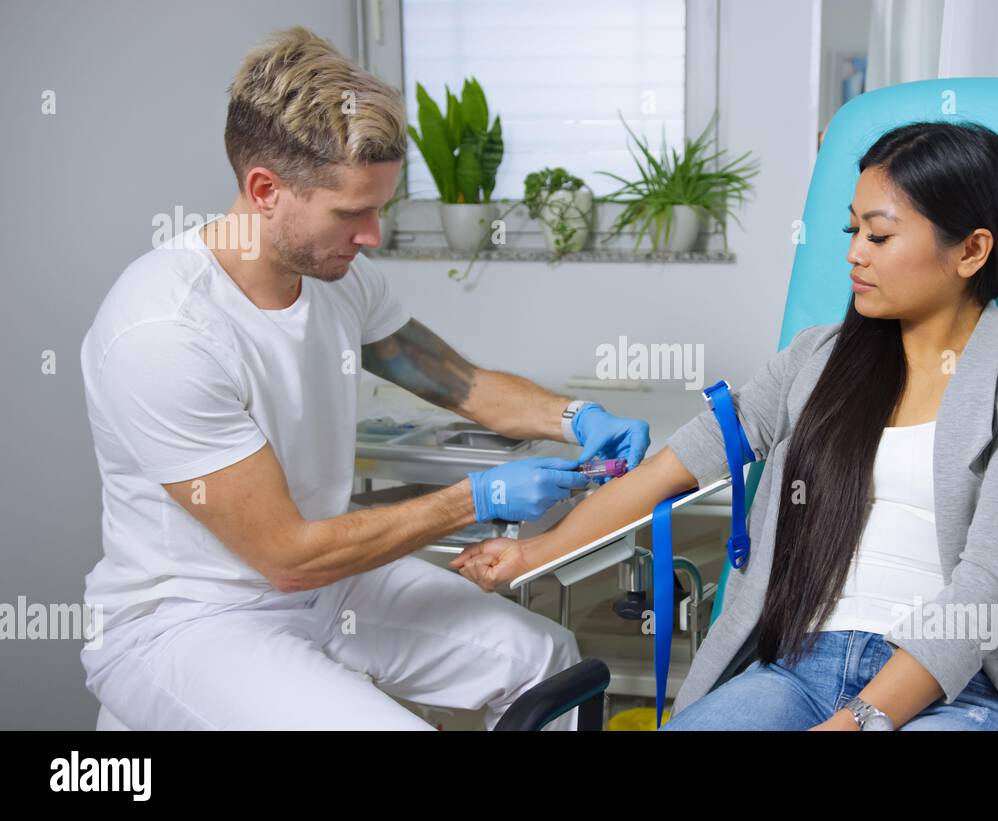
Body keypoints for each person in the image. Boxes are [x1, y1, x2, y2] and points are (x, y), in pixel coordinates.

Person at [452, 121, 998, 731]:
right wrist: (534, 552)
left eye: (879, 236)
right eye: (850, 231)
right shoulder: (818, 359)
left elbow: (988, 587)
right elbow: (675, 466)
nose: (854, 254)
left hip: (955, 691)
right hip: (795, 670)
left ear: (971, 250)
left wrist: (857, 721)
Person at [78, 27, 647, 730]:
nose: (374, 234)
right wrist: (477, 496)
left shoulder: (338, 278)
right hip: (191, 619)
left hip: (326, 584)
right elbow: (285, 555)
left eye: (380, 207)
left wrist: (577, 415)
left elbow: (459, 381)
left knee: (551, 663)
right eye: (352, 212)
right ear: (265, 191)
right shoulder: (163, 332)